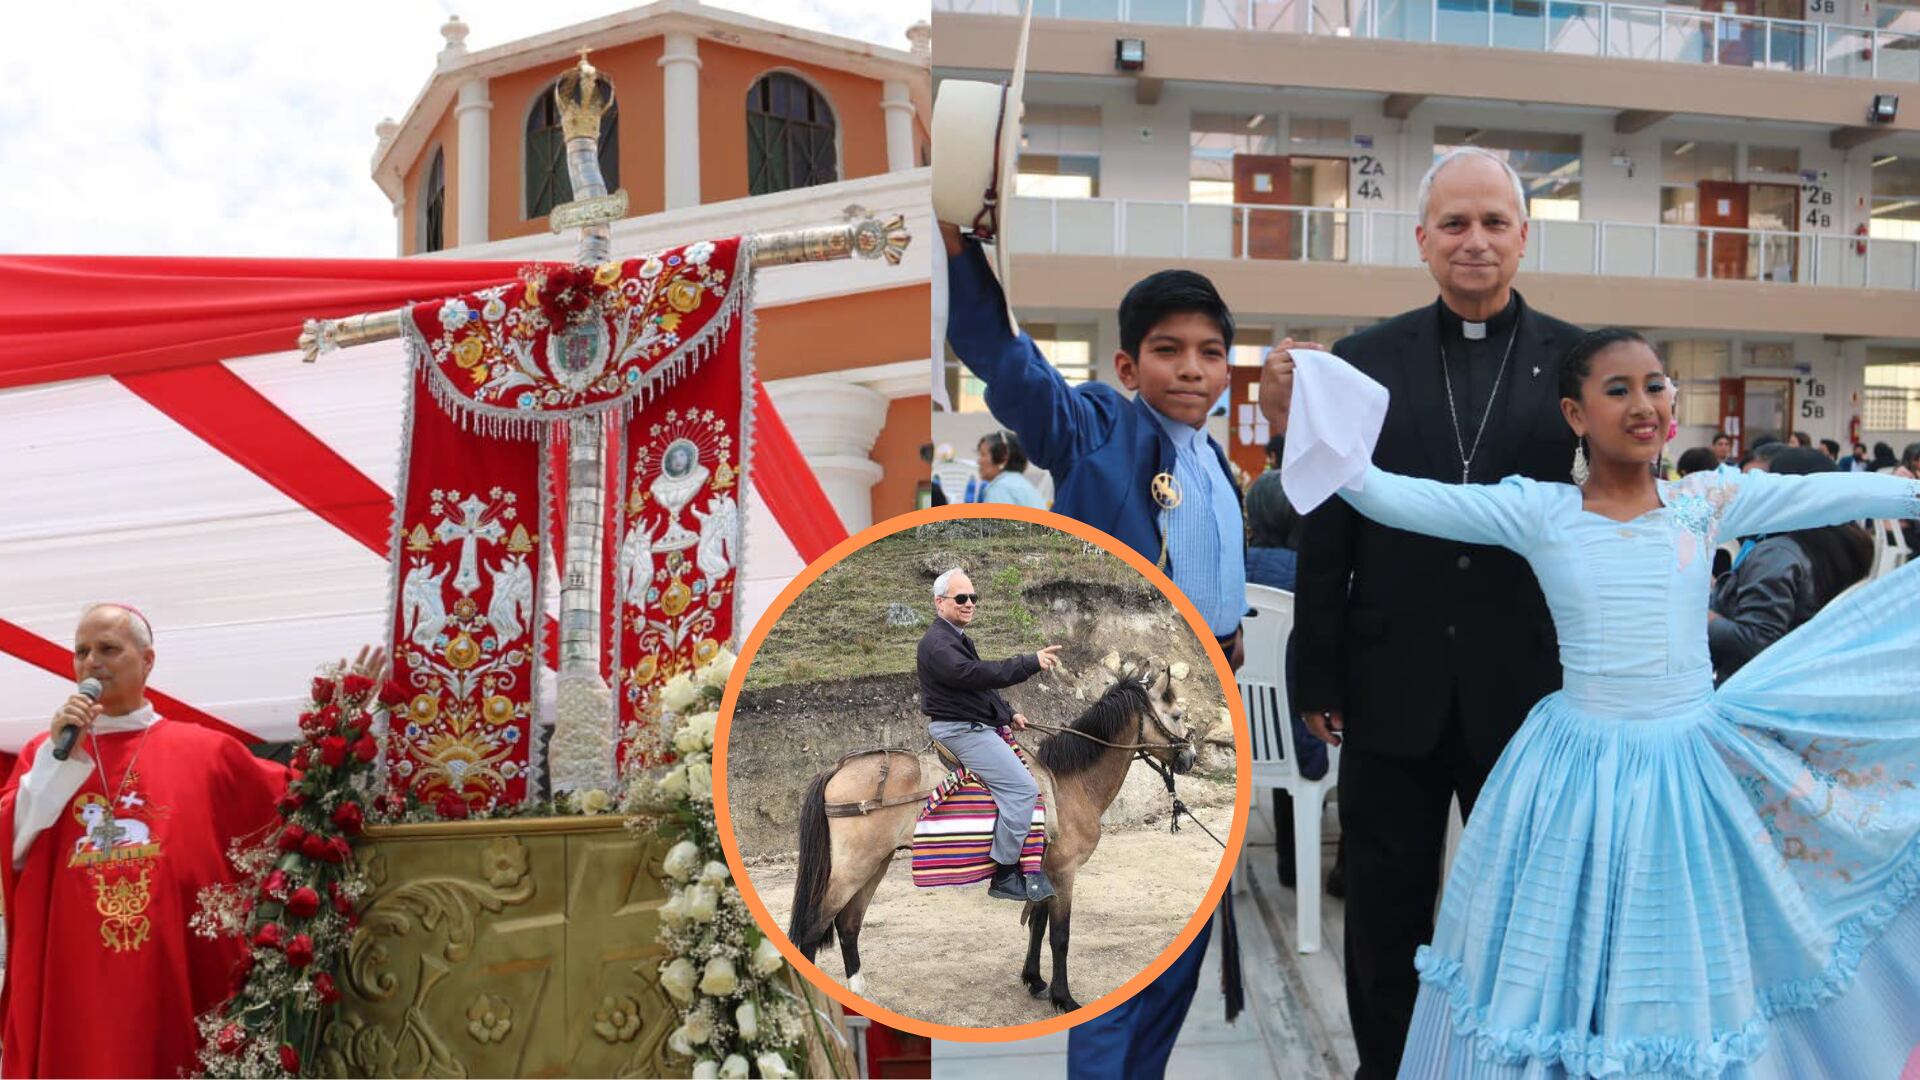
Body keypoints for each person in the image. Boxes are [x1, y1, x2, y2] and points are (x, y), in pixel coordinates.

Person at [1271, 327, 1920, 1077]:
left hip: (1690, 766)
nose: (1643, 404)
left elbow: (1832, 492)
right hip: (1575, 770)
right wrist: (1315, 397)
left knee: (1680, 947)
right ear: (1575, 415)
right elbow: (1387, 494)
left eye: (1655, 386)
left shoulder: (1707, 500)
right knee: (1565, 957)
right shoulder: (1540, 510)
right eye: (1618, 391)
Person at [1270, 146, 1585, 1078]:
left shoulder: (1580, 360)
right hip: (1389, 676)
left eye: (1493, 222)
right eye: (1455, 223)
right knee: (1383, 901)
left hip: (1529, 685)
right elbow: (1326, 528)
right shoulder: (1363, 361)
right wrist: (1316, 672)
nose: (1474, 240)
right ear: (1422, 240)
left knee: (1526, 906)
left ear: (1523, 236)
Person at [945, 223, 1260, 1078]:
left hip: (1204, 721)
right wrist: (963, 249)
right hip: (1120, 716)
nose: (1191, 368)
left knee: (1184, 931)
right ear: (1127, 365)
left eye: (1210, 352)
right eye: (1168, 350)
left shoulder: (1218, 465)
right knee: (1125, 943)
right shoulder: (1097, 429)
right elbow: (1013, 369)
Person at [0, 604, 291, 1078]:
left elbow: (294, 802)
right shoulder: (46, 753)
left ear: (148, 660)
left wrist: (345, 730)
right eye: (81, 651)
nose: (91, 662)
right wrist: (57, 761)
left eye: (108, 648)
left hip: (170, 976)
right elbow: (13, 846)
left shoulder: (206, 752)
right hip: (75, 980)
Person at [916, 569, 1063, 903]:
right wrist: (1029, 662)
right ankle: (1005, 873)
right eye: (961, 598)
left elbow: (979, 687)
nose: (969, 603)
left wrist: (1008, 714)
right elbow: (974, 675)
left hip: (971, 724)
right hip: (961, 730)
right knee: (1024, 789)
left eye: (973, 598)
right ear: (939, 603)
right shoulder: (937, 644)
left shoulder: (955, 638)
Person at [1708, 447, 1873, 681]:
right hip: (1810, 676)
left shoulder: (1777, 553)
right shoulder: (1851, 543)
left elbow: (1755, 642)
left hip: (1751, 686)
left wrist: (1699, 616)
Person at [975, 431, 1047, 509]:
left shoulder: (1000, 488)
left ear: (1002, 457)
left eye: (983, 455)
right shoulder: (1028, 488)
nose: (979, 461)